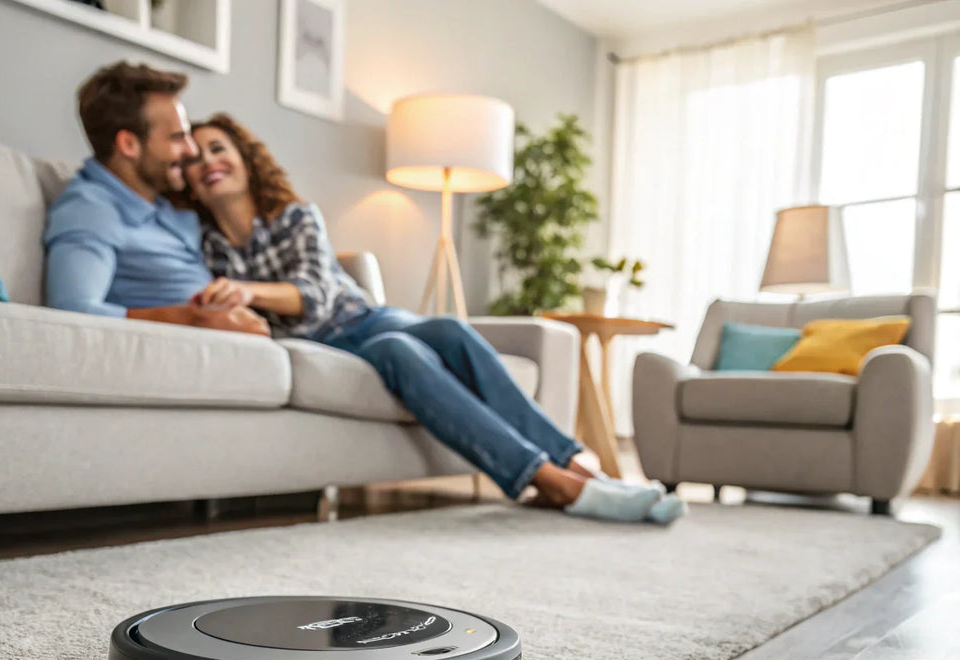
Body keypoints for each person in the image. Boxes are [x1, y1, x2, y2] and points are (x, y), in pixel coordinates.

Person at [181, 113, 687, 524]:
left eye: (218, 148)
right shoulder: (206, 247)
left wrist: (247, 291)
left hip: (365, 318)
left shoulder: (296, 216)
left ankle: (582, 467)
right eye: (195, 157)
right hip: (328, 346)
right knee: (399, 352)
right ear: (190, 184)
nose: (208, 162)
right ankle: (553, 483)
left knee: (448, 329)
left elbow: (314, 296)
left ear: (246, 159)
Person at [43, 61, 269, 337]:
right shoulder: (90, 209)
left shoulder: (164, 202)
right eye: (178, 137)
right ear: (129, 145)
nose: (191, 150)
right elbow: (71, 313)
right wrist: (193, 319)